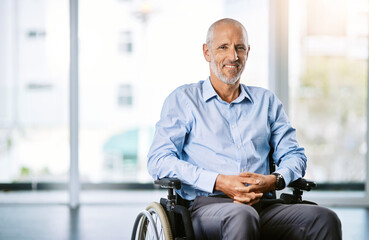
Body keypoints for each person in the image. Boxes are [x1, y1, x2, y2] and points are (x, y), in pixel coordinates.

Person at [147, 18, 342, 240]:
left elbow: (295, 156)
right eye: (223, 47)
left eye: (240, 48)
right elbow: (158, 160)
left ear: (248, 52)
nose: (233, 56)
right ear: (207, 52)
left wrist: (274, 180)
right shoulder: (184, 100)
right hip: (206, 208)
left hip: (265, 205)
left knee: (325, 219)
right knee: (242, 215)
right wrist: (219, 181)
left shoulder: (266, 102)